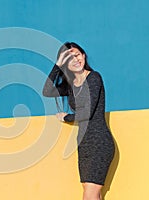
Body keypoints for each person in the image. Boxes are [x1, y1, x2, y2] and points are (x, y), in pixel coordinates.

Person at [42, 42, 115, 200]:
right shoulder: (70, 86)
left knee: (89, 195)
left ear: (83, 56)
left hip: (99, 143)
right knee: (94, 194)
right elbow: (47, 90)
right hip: (84, 144)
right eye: (69, 58)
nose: (75, 59)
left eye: (77, 54)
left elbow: (87, 112)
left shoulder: (94, 77)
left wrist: (66, 117)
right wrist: (57, 65)